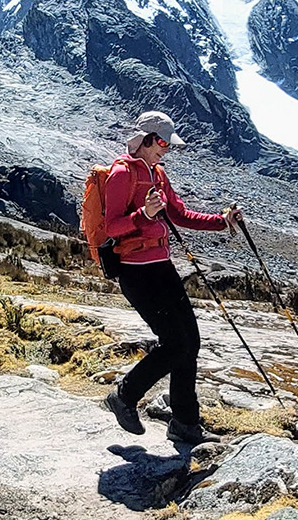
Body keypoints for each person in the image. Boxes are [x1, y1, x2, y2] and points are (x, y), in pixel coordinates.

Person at [99, 111, 242, 445]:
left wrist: (222, 221)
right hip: (137, 272)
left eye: (167, 144)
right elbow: (112, 227)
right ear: (147, 139)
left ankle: (185, 423)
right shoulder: (122, 174)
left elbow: (179, 214)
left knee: (190, 342)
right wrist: (144, 214)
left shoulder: (158, 174)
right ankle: (124, 395)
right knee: (175, 343)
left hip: (162, 267)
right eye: (162, 142)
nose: (166, 149)